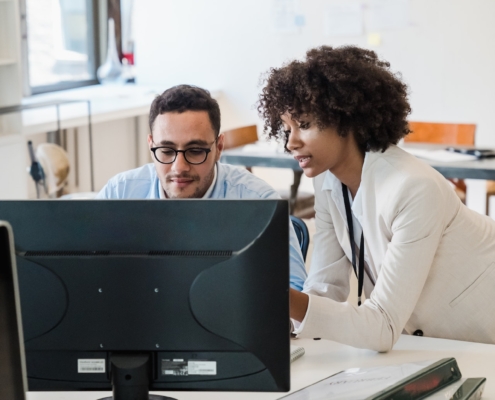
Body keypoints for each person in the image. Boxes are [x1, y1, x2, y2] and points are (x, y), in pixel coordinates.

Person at [258, 45, 495, 351]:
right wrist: (279, 320)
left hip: (482, 338)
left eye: (304, 125)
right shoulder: (329, 184)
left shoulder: (413, 188)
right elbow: (325, 289)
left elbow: (381, 327)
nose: (291, 142)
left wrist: (280, 296)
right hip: (433, 344)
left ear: (347, 120)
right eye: (287, 128)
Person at [96, 84, 307, 290]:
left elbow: (295, 292)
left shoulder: (259, 202)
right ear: (151, 146)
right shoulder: (119, 193)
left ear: (219, 148)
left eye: (195, 150)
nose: (179, 167)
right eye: (167, 151)